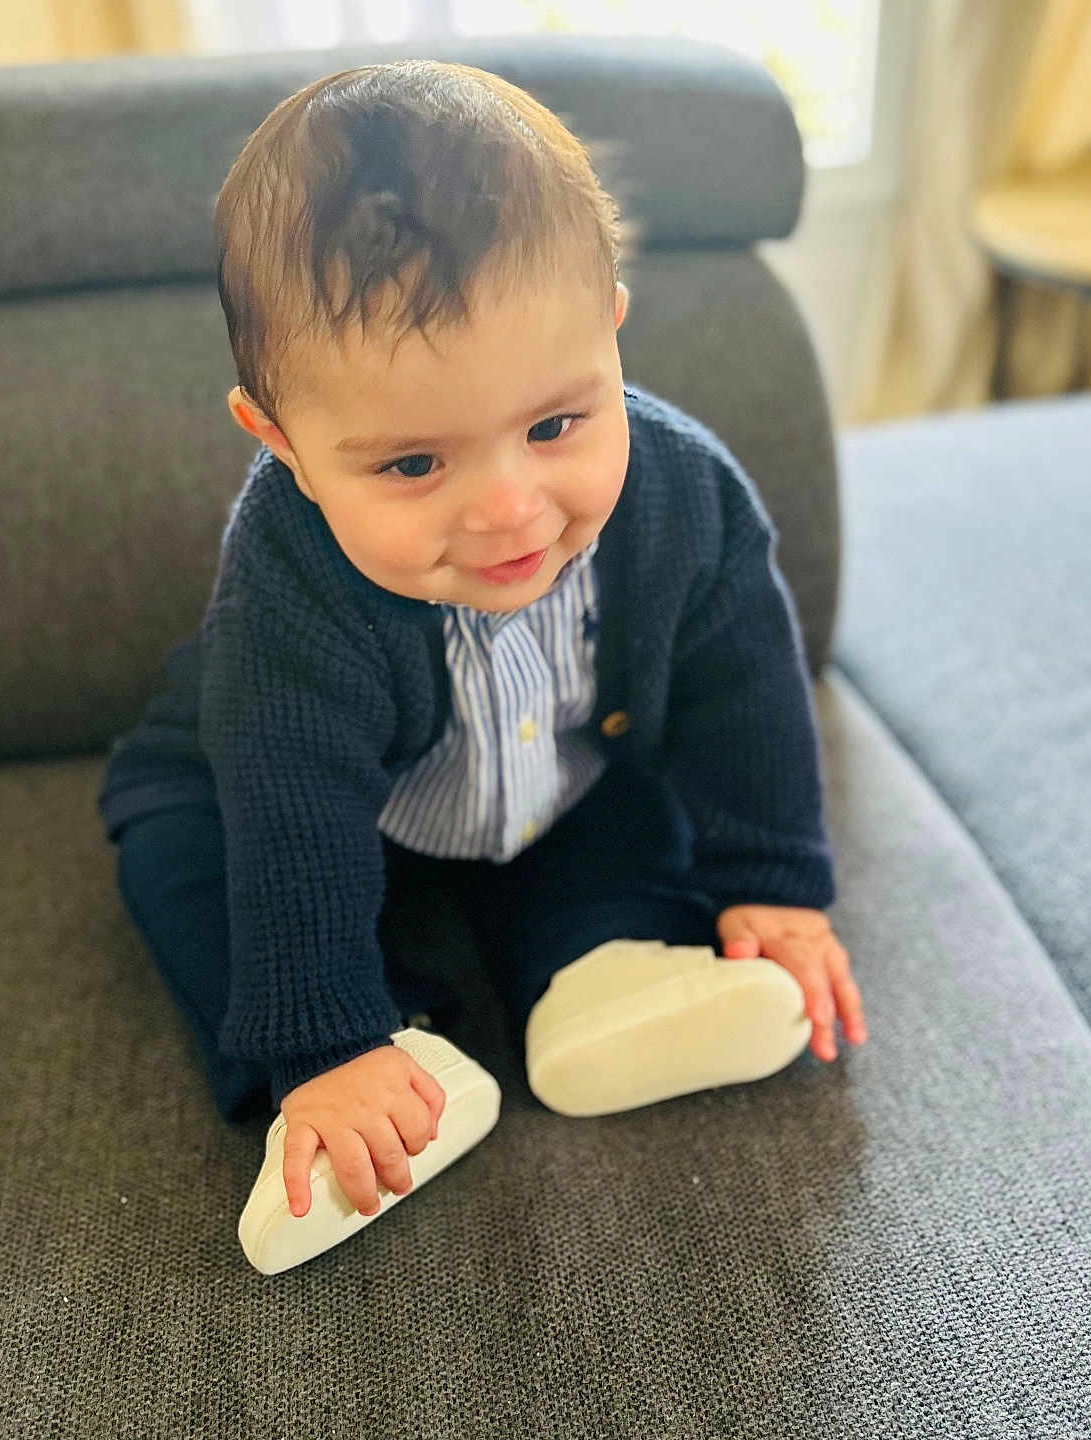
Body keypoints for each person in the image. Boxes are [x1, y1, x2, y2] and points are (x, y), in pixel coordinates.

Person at [97, 58, 868, 1257]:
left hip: (555, 773)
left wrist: (771, 875)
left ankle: (602, 973)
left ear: (611, 330)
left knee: (619, 827)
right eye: (414, 465)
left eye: (556, 426)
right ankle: (389, 1063)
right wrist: (326, 1039)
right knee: (187, 868)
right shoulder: (288, 588)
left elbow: (743, 685)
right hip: (259, 789)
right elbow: (290, 803)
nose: (513, 512)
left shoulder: (685, 496)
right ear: (284, 442)